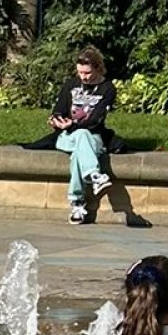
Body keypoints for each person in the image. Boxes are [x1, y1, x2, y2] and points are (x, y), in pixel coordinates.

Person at [48, 46, 118, 224]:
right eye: (80, 72)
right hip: (67, 137)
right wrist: (57, 120)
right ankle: (94, 175)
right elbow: (59, 110)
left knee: (79, 149)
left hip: (93, 137)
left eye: (87, 73)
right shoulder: (70, 84)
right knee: (80, 136)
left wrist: (74, 125)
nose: (83, 77)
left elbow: (95, 120)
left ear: (98, 68)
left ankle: (77, 203)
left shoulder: (107, 88)